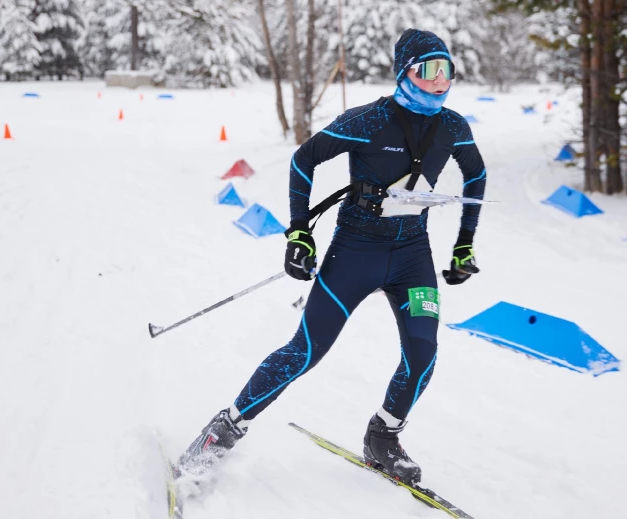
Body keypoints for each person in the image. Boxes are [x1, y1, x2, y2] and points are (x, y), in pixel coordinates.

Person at [177, 29, 487, 485]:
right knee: (305, 352)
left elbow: (476, 176)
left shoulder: (453, 126)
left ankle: (384, 436)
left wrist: (464, 243)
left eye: (447, 70)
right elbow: (304, 159)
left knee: (423, 353)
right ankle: (220, 433)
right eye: (429, 69)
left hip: (412, 256)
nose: (441, 81)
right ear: (405, 73)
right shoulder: (369, 120)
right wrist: (299, 233)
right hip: (355, 252)